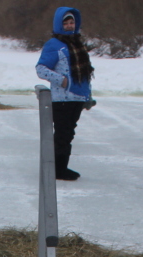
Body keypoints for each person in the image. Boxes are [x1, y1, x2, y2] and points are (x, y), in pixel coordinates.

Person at [36, 7, 93, 181]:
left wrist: (88, 96)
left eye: (72, 22)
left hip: (77, 96)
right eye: (66, 23)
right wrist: (62, 80)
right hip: (62, 98)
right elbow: (41, 69)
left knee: (68, 134)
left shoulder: (78, 43)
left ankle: (61, 167)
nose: (69, 25)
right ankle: (58, 169)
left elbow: (85, 73)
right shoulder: (54, 45)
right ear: (59, 25)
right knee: (62, 134)